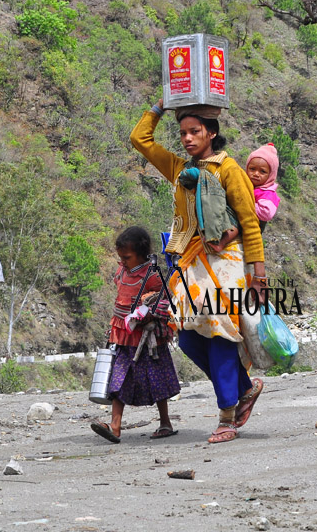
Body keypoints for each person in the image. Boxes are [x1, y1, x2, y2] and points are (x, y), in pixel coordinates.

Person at [131, 99, 265, 444]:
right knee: (190, 338)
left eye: (195, 132)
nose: (188, 139)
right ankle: (244, 390)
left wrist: (258, 274)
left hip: (226, 262)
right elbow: (140, 140)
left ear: (212, 132)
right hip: (190, 263)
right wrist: (160, 106)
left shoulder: (228, 170)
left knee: (219, 335)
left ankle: (227, 416)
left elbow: (250, 223)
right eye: (183, 133)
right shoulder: (179, 169)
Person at [90, 227, 180, 444]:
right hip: (122, 335)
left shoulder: (152, 275)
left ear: (141, 253)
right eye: (120, 257)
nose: (123, 261)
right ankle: (115, 426)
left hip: (146, 339)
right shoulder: (122, 271)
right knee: (118, 379)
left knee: (157, 379)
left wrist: (148, 309)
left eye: (127, 257)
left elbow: (165, 299)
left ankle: (165, 423)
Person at [212, 142, 281, 251]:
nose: (256, 174)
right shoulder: (246, 184)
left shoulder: (268, 193)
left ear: (271, 175)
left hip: (252, 225)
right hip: (240, 216)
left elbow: (266, 213)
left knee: (235, 226)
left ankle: (220, 244)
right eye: (252, 169)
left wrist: (244, 204)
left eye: (262, 171)